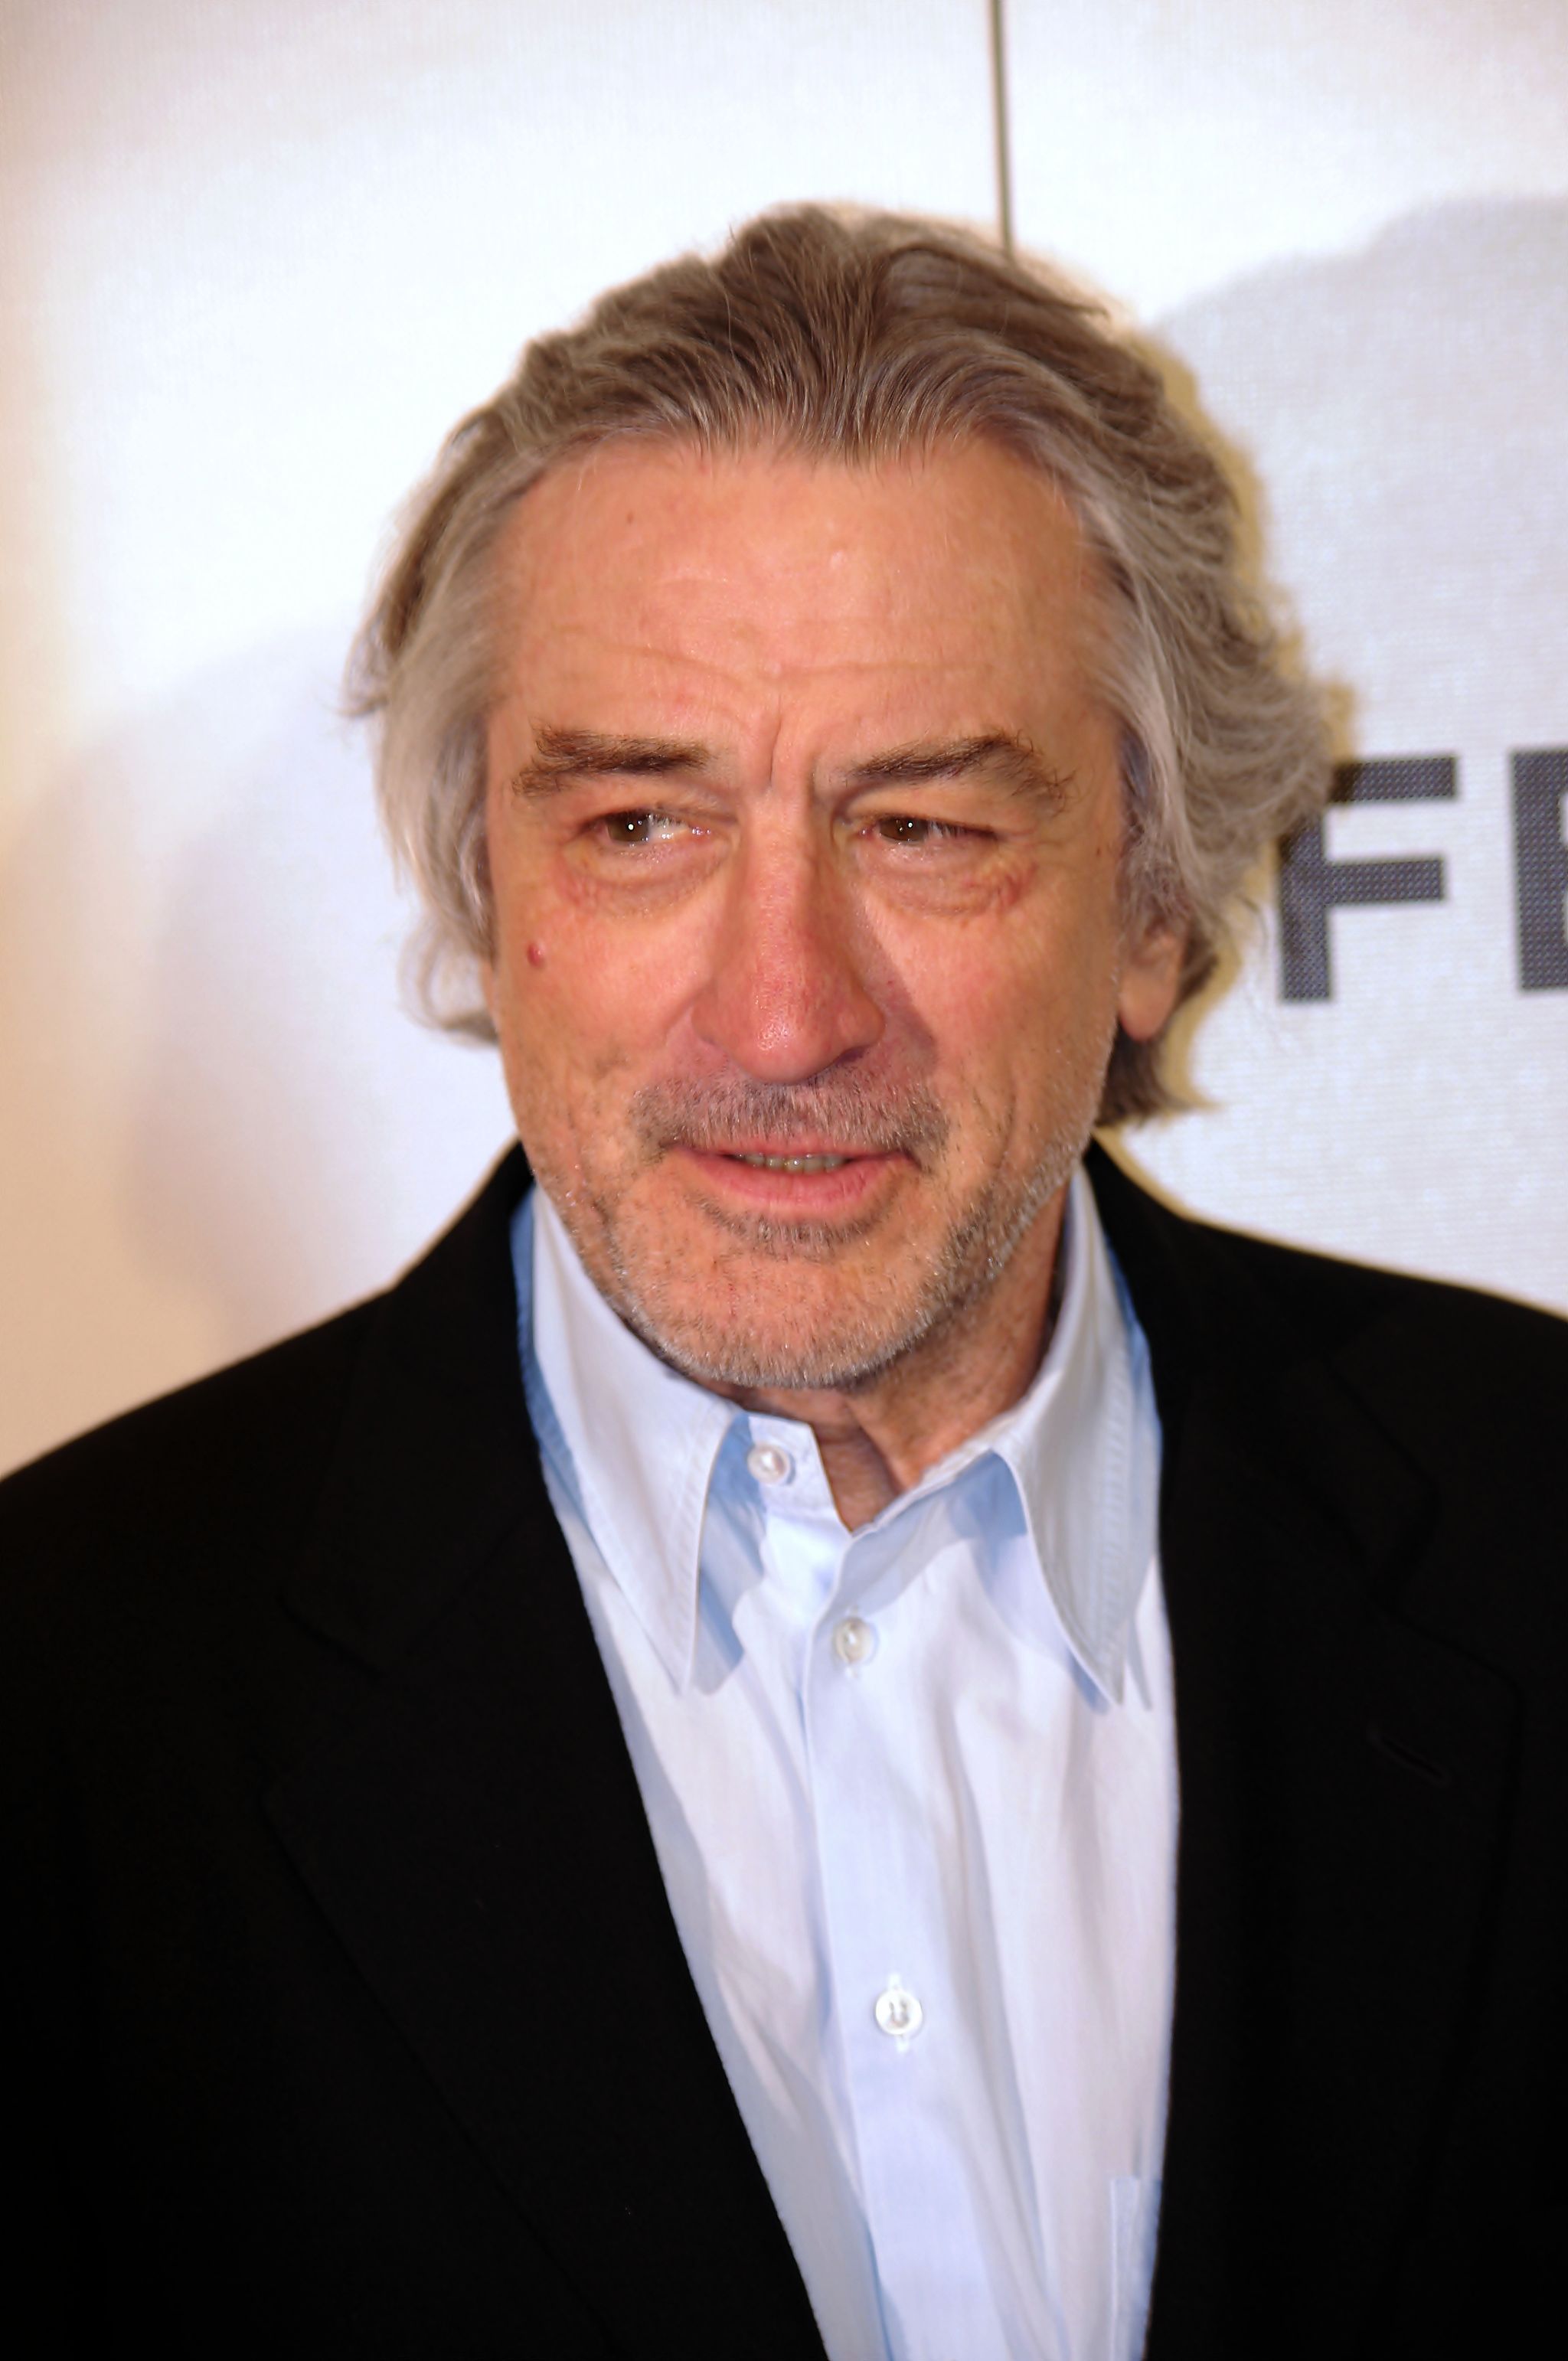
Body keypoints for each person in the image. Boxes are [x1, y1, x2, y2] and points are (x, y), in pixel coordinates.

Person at [2, 208, 1563, 2361]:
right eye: (641, 825)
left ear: (1153, 912)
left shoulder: (1540, 1524)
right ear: (491, 894)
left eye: (923, 827)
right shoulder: (68, 1692)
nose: (784, 1012)